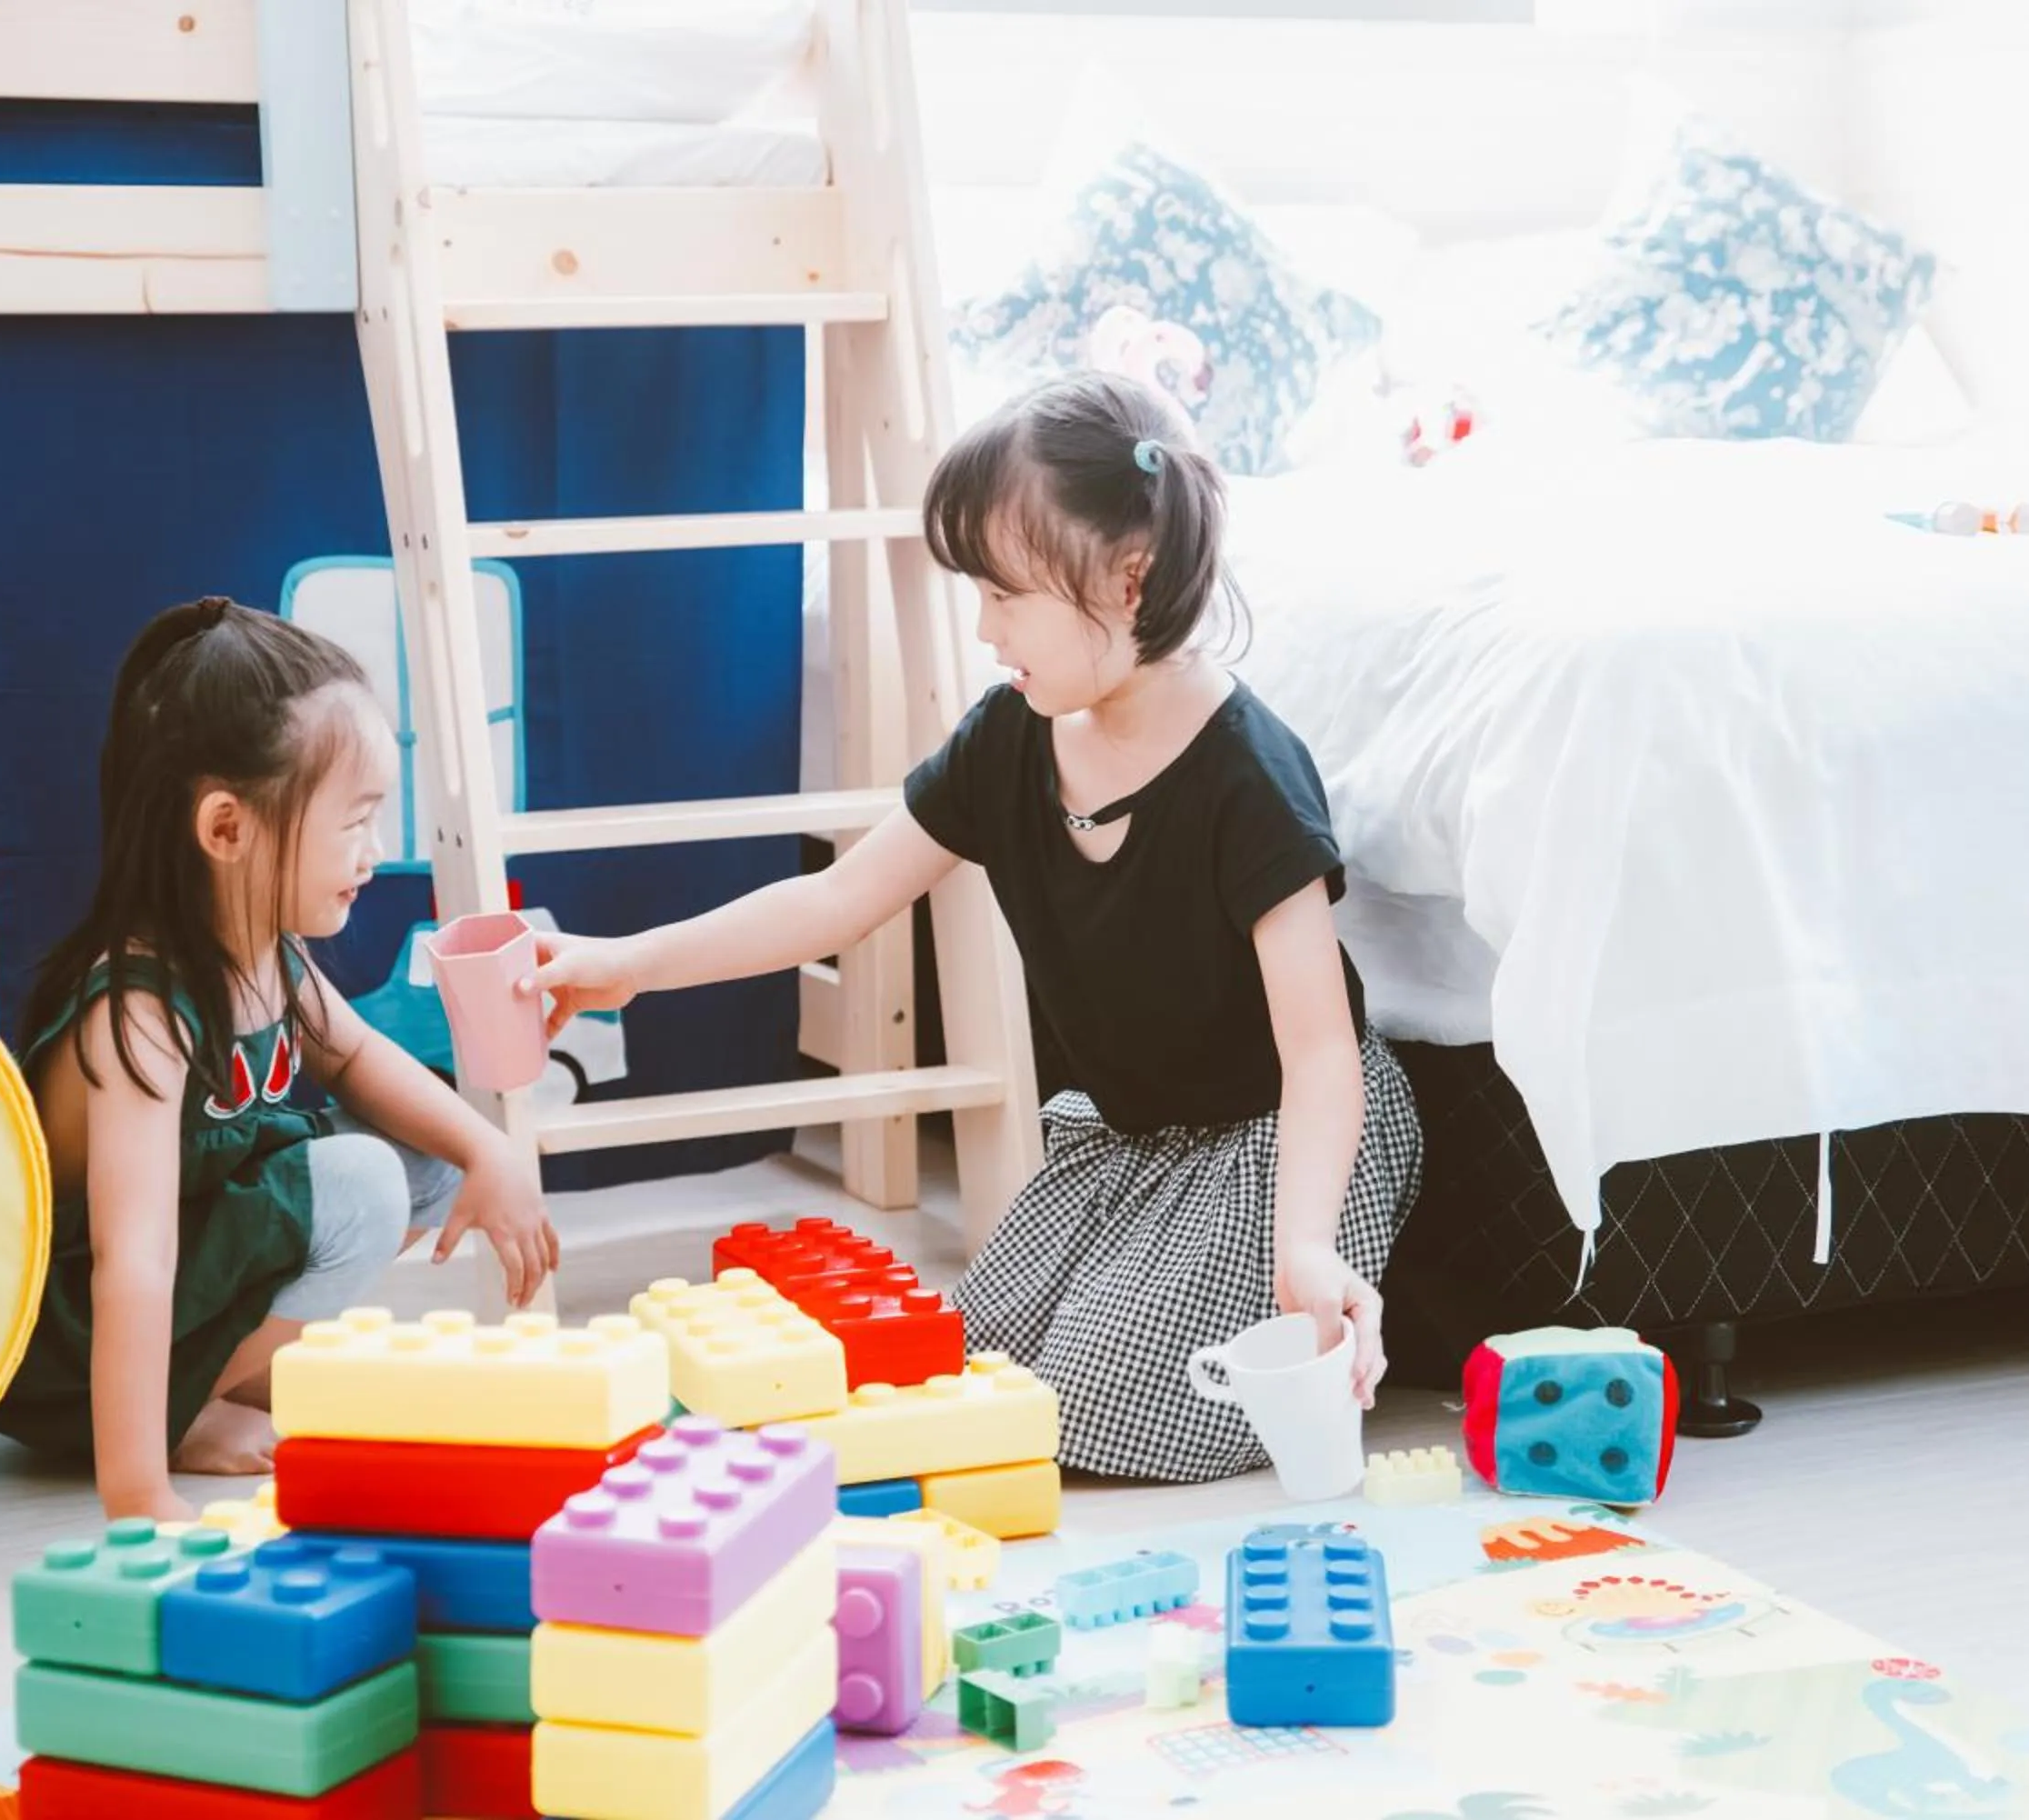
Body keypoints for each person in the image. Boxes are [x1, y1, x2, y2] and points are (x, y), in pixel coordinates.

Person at [528, 374, 1421, 1481]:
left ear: (1127, 579)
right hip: (1128, 1139)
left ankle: (1322, 1296)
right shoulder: (1013, 737)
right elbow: (836, 898)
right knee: (973, 1370)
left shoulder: (1246, 776)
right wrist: (629, 967)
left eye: (1003, 596)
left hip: (1266, 1140)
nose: (984, 628)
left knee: (1089, 1411)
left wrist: (1303, 1240)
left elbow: (1321, 1050)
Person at [0, 596, 559, 1520]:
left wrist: (488, 1152)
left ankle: (231, 1383)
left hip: (175, 1285)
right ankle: (180, 1413)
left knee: (422, 1159)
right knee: (364, 1179)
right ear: (226, 830)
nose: (374, 854)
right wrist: (139, 1489)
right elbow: (130, 1259)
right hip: (69, 1346)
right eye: (355, 823)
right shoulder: (141, 1011)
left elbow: (365, 1057)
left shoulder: (265, 954)